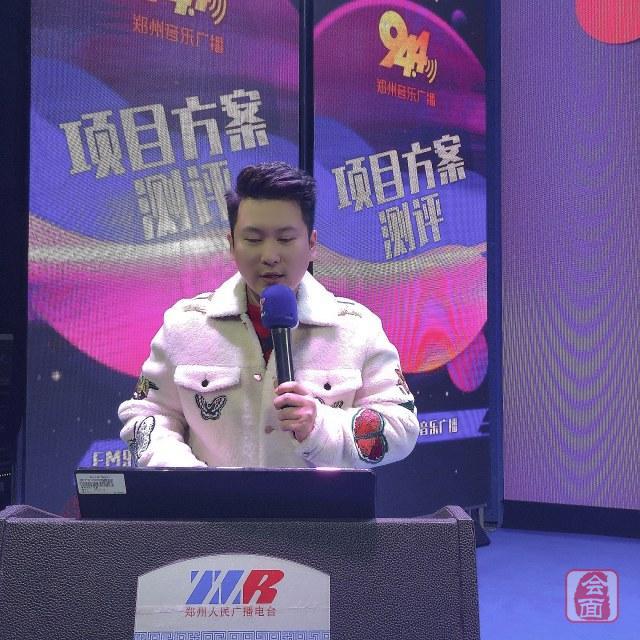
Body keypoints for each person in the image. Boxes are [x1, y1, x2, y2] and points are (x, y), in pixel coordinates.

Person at [119, 162, 419, 468]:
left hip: (319, 501)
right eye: (253, 239)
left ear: (312, 245)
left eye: (285, 239)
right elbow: (146, 414)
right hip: (210, 501)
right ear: (231, 244)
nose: (270, 256)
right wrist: (189, 479)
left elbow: (401, 427)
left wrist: (321, 427)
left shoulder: (357, 329)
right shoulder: (185, 325)